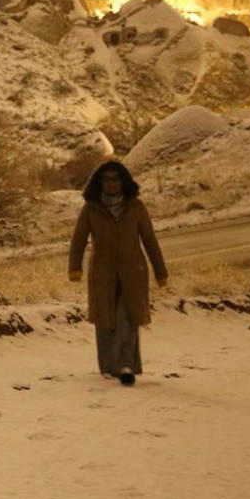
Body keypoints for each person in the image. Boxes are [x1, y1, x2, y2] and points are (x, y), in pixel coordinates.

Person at [67, 161, 169, 386]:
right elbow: (78, 241)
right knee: (105, 319)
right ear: (99, 183)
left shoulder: (136, 207)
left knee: (128, 316)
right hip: (102, 272)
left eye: (115, 179)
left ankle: (125, 366)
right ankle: (108, 367)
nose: (111, 184)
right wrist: (75, 267)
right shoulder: (91, 208)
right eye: (106, 179)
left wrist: (160, 271)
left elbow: (150, 240)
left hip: (133, 270)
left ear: (123, 182)